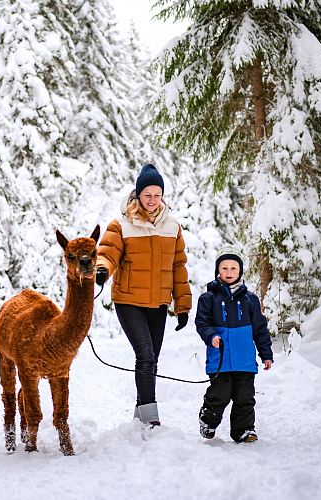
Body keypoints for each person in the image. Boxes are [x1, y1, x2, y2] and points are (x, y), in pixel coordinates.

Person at [96, 163, 192, 428]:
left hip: (158, 303)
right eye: (147, 194)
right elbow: (107, 252)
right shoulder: (122, 224)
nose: (152, 200)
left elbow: (178, 267)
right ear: (138, 195)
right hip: (128, 301)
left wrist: (182, 305)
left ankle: (140, 417)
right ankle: (152, 420)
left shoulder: (172, 226)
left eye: (157, 194)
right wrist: (102, 270)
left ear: (162, 196)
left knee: (152, 360)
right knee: (146, 355)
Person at [194, 247, 273, 443]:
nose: (229, 272)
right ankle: (208, 421)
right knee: (220, 394)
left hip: (245, 361)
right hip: (219, 360)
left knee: (244, 398)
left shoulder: (250, 300)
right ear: (217, 270)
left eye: (233, 268)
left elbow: (260, 329)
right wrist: (211, 335)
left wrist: (266, 354)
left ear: (240, 271)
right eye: (224, 268)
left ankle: (243, 430)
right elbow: (202, 323)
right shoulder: (209, 298)